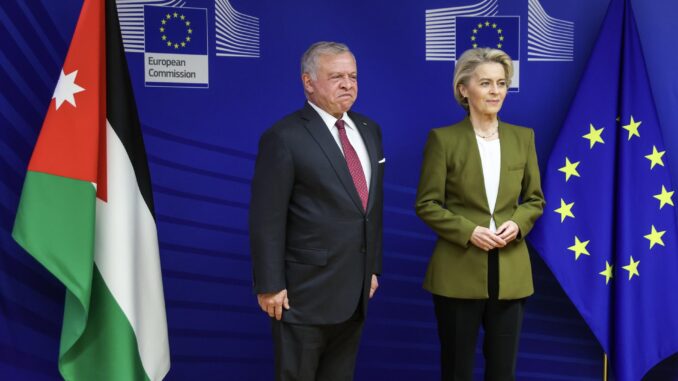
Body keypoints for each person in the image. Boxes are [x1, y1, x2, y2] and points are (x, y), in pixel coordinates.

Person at [249, 41, 384, 381]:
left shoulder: (369, 130)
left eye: (352, 76)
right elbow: (267, 216)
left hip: (354, 291)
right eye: (336, 76)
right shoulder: (283, 136)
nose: (347, 84)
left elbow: (370, 209)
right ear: (308, 82)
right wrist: (269, 284)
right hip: (302, 295)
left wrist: (372, 267)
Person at [415, 48, 545, 381]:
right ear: (464, 89)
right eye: (485, 83)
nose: (495, 91)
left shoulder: (523, 138)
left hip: (511, 275)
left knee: (503, 372)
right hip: (456, 273)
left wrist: (517, 223)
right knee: (457, 370)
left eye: (501, 83)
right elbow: (427, 204)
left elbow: (534, 199)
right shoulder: (442, 140)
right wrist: (468, 231)